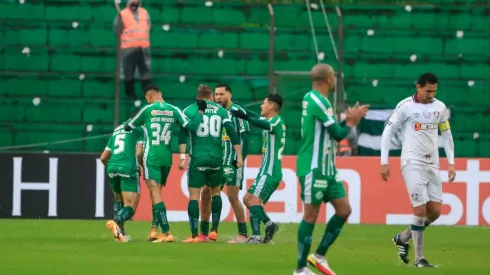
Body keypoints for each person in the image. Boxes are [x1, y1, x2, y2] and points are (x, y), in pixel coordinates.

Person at [295, 64, 368, 275]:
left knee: (344, 210)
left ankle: (318, 255)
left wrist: (350, 119)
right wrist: (351, 121)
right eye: (333, 76)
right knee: (311, 213)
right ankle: (300, 270)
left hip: (328, 168)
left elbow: (333, 129)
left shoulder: (319, 100)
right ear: (328, 78)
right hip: (313, 166)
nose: (334, 79)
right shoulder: (317, 99)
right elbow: (337, 133)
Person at [380, 72, 456, 268]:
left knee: (435, 212)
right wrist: (384, 161)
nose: (431, 95)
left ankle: (403, 238)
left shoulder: (439, 108)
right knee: (420, 209)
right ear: (418, 87)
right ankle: (419, 259)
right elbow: (388, 131)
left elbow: (446, 135)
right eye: (428, 91)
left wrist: (451, 162)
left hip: (433, 164)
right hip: (411, 162)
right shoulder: (405, 106)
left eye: (434, 91)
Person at [124, 84, 206, 243]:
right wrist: (201, 112)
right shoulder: (174, 110)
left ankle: (166, 231)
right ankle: (154, 229)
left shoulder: (147, 110)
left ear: (148, 97)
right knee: (158, 193)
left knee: (155, 193)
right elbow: (192, 126)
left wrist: (144, 127)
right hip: (167, 158)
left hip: (152, 156)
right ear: (160, 93)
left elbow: (128, 126)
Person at [179, 84, 244, 243]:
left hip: (197, 159)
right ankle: (214, 231)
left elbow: (182, 134)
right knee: (215, 193)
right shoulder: (221, 111)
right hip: (216, 159)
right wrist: (240, 156)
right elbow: (232, 133)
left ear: (197, 97)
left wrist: (182, 156)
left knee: (195, 196)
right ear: (210, 97)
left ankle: (195, 235)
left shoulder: (189, 110)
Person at [231, 94, 285, 244]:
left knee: (253, 202)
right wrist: (238, 107)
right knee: (248, 199)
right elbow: (253, 115)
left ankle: (269, 225)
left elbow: (259, 123)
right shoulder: (269, 120)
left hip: (270, 172)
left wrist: (245, 116)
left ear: (272, 106)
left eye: (264, 103)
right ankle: (256, 236)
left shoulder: (276, 122)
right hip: (265, 172)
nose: (261, 106)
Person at [199, 84, 251, 243]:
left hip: (233, 160)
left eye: (222, 94)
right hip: (217, 160)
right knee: (205, 193)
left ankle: (243, 234)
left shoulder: (238, 111)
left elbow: (246, 137)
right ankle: (204, 233)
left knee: (232, 196)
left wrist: (242, 157)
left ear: (230, 95)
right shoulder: (216, 112)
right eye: (216, 94)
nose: (218, 97)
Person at [100, 120, 144, 242]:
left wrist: (110, 169)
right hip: (128, 168)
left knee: (118, 199)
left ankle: (120, 234)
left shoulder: (117, 130)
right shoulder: (140, 128)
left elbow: (103, 157)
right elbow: (139, 153)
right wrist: (143, 167)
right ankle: (115, 222)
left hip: (112, 167)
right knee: (130, 207)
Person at [113, 0, 152, 99]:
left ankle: (148, 94)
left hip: (143, 48)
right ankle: (130, 95)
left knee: (145, 74)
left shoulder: (145, 12)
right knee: (129, 74)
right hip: (128, 49)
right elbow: (117, 30)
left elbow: (148, 26)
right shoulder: (122, 14)